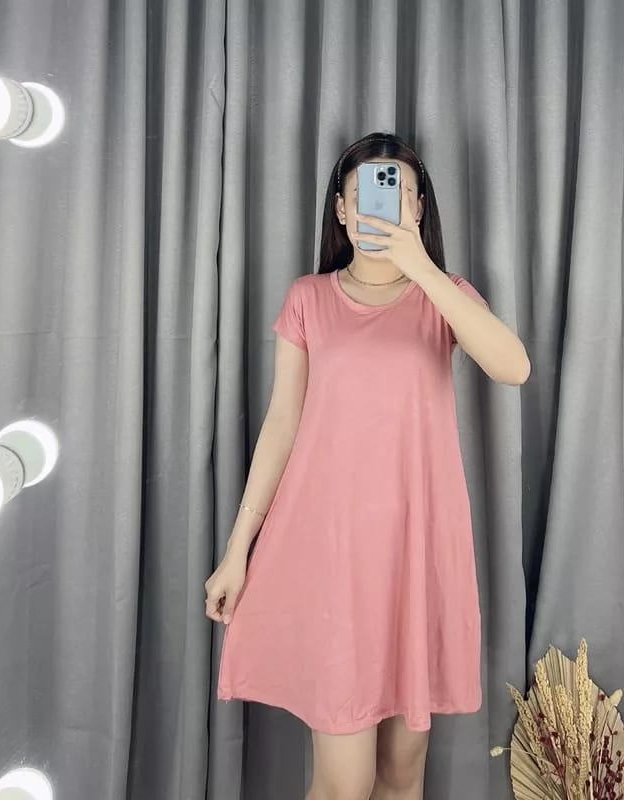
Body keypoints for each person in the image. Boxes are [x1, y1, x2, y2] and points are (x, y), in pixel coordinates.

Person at [204, 132, 530, 800]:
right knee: (345, 784)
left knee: (402, 775)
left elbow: (513, 367)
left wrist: (422, 267)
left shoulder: (445, 297)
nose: (379, 207)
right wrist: (238, 551)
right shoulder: (309, 298)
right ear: (341, 209)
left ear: (418, 208)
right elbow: (281, 426)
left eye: (398, 193)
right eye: (364, 194)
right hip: (333, 556)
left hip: (416, 554)